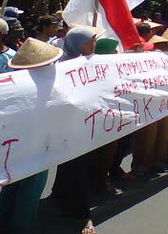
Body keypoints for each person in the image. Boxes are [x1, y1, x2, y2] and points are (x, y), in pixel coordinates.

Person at [0, 38, 63, 234]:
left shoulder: (11, 83)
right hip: (37, 145)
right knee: (30, 192)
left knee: (11, 187)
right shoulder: (46, 85)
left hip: (11, 145)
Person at [51, 26, 100, 234]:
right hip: (70, 122)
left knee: (72, 164)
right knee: (77, 166)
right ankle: (81, 214)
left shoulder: (91, 62)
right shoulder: (64, 66)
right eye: (90, 42)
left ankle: (61, 195)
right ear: (78, 44)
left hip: (83, 121)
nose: (94, 45)